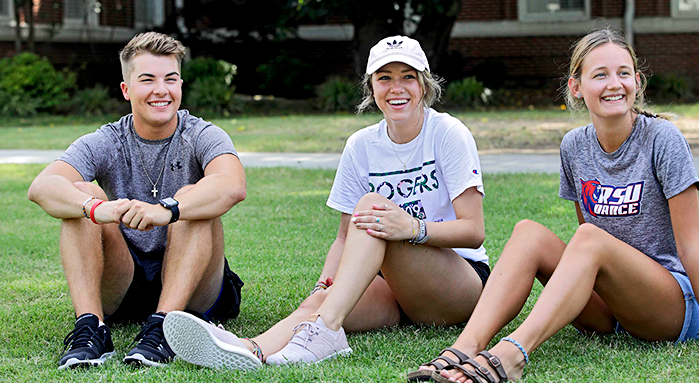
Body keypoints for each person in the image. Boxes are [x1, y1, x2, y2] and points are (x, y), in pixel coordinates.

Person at [409, 28, 699, 383]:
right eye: (600, 75)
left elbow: (692, 246)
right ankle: (463, 349)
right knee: (529, 232)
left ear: (637, 80)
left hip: (671, 306)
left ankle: (511, 355)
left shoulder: (663, 140)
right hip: (612, 307)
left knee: (589, 238)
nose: (614, 84)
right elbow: (586, 234)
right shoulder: (574, 146)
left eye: (623, 73)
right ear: (576, 87)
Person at [162, 35, 490, 369]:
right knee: (321, 302)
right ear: (371, 86)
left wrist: (411, 227)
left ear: (424, 83)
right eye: (385, 78)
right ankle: (250, 349)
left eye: (408, 76)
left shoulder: (448, 133)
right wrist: (323, 285)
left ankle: (328, 332)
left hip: (458, 283)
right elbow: (346, 237)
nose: (397, 88)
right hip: (392, 286)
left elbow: (473, 231)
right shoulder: (361, 146)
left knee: (371, 206)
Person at [27, 32, 247, 369]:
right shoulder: (108, 139)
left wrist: (167, 210)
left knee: (193, 196)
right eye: (148, 80)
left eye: (170, 79)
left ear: (180, 86)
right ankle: (91, 327)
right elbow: (43, 186)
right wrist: (98, 209)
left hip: (195, 283)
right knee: (83, 194)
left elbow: (232, 185)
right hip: (124, 279)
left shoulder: (202, 133)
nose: (161, 90)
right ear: (126, 89)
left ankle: (163, 326)